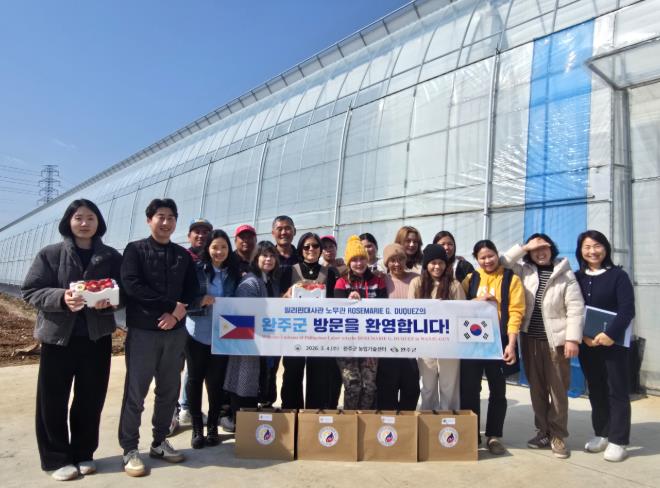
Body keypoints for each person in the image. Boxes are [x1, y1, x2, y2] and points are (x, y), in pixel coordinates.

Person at [22, 199, 122, 481]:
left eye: (90, 218)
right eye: (79, 218)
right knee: (52, 399)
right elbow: (31, 290)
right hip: (58, 338)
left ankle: (83, 452)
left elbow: (124, 290)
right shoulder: (51, 254)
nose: (84, 223)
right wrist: (61, 298)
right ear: (68, 221)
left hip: (96, 337)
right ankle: (56, 458)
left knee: (90, 398)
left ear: (98, 222)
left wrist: (110, 301)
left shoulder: (110, 257)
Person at [118, 198, 199, 477]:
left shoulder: (182, 255)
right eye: (160, 217)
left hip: (174, 333)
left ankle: (159, 441)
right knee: (136, 393)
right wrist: (170, 307)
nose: (166, 222)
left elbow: (192, 290)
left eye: (171, 217)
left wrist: (176, 315)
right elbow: (133, 286)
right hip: (143, 332)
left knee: (168, 390)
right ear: (149, 220)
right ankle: (130, 449)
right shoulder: (135, 250)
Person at [501, 234, 584, 458]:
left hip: (556, 341)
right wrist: (524, 246)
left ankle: (558, 435)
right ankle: (543, 431)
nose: (540, 252)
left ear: (551, 248)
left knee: (557, 389)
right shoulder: (524, 270)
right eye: (535, 249)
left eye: (543, 247)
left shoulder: (564, 273)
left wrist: (572, 339)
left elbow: (576, 307)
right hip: (530, 339)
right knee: (536, 388)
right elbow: (503, 262)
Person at [575, 230, 635, 462]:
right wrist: (582, 336)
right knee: (596, 389)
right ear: (581, 250)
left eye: (597, 246)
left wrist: (610, 334)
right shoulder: (577, 277)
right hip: (587, 345)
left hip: (614, 344)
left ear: (606, 248)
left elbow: (627, 310)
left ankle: (619, 440)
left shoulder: (618, 276)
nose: (592, 251)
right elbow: (571, 308)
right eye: (587, 247)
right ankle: (602, 433)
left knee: (617, 390)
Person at [460, 240, 524, 455]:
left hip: (499, 342)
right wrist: (476, 300)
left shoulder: (511, 279)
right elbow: (458, 306)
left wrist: (511, 344)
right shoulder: (470, 279)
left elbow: (516, 313)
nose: (487, 260)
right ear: (476, 259)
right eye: (482, 257)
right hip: (472, 343)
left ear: (497, 255)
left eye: (491, 256)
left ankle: (494, 436)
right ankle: (472, 434)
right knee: (470, 390)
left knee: (498, 390)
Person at [185, 229, 240, 448]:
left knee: (216, 383)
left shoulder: (233, 273)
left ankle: (213, 428)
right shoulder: (196, 269)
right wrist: (199, 301)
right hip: (197, 333)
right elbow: (184, 298)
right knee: (195, 380)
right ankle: (197, 427)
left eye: (223, 247)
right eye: (215, 247)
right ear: (207, 248)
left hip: (223, 334)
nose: (219, 251)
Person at [223, 241, 280, 429]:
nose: (268, 259)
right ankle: (241, 424)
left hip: (262, 342)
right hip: (247, 343)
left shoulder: (270, 280)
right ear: (256, 259)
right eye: (264, 255)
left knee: (254, 382)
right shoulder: (250, 282)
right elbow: (243, 313)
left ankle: (248, 425)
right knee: (244, 382)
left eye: (272, 256)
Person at [281, 233, 340, 409]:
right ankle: (292, 411)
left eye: (315, 246)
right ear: (301, 249)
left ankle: (315, 414)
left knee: (319, 374)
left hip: (319, 332)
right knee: (292, 372)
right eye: (306, 246)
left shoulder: (330, 273)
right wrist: (285, 296)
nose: (311, 249)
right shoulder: (290, 271)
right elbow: (279, 300)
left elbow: (335, 301)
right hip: (294, 331)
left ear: (320, 249)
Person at [409, 244, 466, 411]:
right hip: (425, 344)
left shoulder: (454, 285)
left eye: (441, 262)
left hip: (449, 345)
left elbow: (463, 313)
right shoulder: (417, 283)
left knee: (449, 386)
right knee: (428, 386)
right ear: (426, 264)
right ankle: (429, 418)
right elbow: (411, 311)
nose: (437, 266)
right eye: (433, 262)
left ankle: (449, 419)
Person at [334, 236, 387, 409]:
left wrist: (363, 299)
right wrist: (348, 301)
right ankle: (350, 420)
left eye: (362, 258)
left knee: (369, 386)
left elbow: (384, 309)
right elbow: (336, 313)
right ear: (348, 262)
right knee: (353, 386)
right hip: (347, 343)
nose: (359, 263)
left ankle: (365, 420)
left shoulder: (378, 281)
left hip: (371, 342)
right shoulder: (341, 282)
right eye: (354, 259)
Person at [174, 218, 213, 432]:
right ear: (189, 235)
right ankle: (176, 411)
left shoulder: (212, 259)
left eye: (205, 232)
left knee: (193, 368)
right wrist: (196, 303)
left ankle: (186, 407)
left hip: (204, 321)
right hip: (182, 319)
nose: (201, 235)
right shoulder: (182, 258)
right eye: (196, 231)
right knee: (176, 367)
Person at [377, 243, 420, 410]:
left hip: (411, 343)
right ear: (386, 263)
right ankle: (389, 423)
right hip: (388, 343)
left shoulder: (416, 278)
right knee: (388, 387)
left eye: (400, 259)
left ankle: (406, 421)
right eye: (392, 260)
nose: (397, 264)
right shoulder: (382, 280)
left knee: (411, 387)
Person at [269, 216, 297, 408]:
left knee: (293, 367)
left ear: (294, 231)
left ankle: (290, 406)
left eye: (288, 228)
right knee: (269, 366)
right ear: (273, 232)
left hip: (296, 324)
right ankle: (266, 403)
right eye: (280, 228)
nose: (284, 232)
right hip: (272, 321)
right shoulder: (267, 256)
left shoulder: (301, 255)